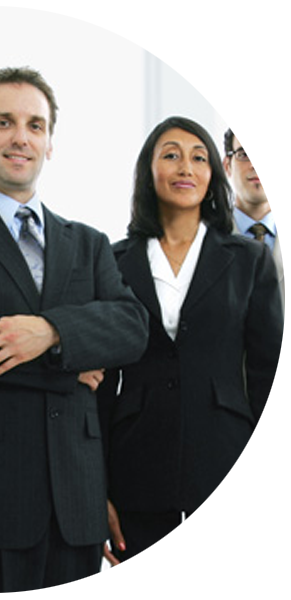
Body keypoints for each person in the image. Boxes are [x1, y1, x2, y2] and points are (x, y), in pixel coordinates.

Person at [0, 66, 149, 593]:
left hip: (75, 502)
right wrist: (69, 364)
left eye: (35, 125)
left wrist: (51, 332)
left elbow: (132, 326)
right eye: (4, 122)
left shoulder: (88, 243)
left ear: (49, 144)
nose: (21, 137)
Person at [99, 116, 284, 592]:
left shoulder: (248, 260)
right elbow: (100, 387)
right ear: (148, 171)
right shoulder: (113, 261)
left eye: (199, 157)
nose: (186, 167)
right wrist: (96, 490)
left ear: (213, 174)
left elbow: (270, 380)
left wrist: (269, 489)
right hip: (136, 467)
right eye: (171, 155)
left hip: (229, 468)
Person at [223, 108, 285, 593]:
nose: (256, 162)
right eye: (245, 153)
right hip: (236, 443)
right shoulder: (203, 245)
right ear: (227, 165)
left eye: (267, 152)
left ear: (282, 161)